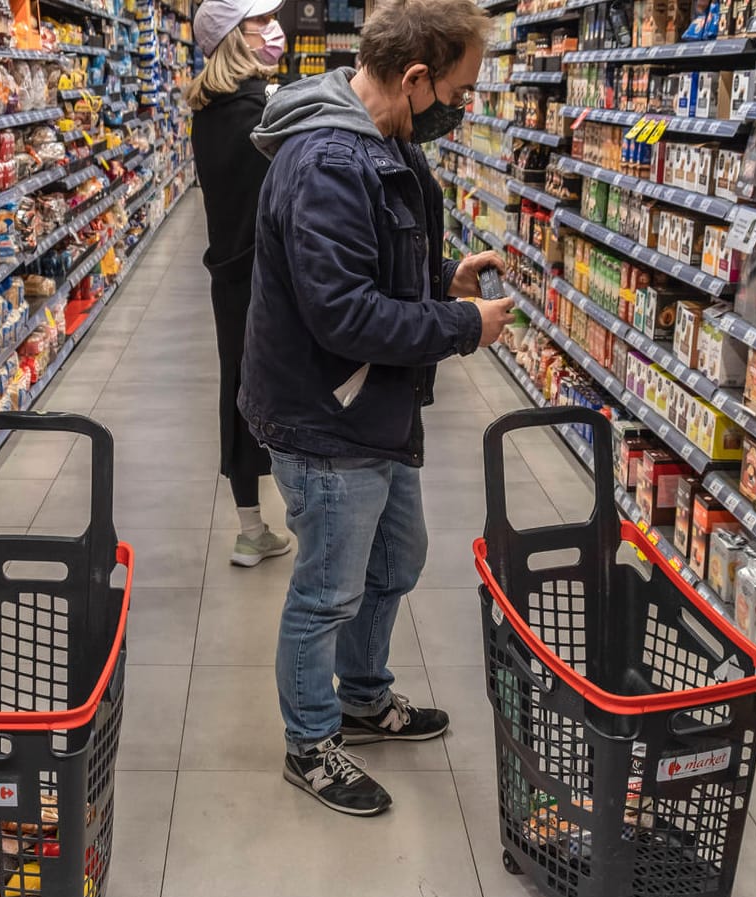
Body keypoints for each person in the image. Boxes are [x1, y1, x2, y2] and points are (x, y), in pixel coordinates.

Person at [241, 0, 513, 816]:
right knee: (327, 588)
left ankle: (362, 695)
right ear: (416, 76)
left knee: (396, 560)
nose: (460, 109)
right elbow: (343, 316)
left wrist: (441, 287)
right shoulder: (330, 160)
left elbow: (373, 279)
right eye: (457, 92)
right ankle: (311, 743)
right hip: (327, 417)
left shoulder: (380, 142)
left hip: (373, 407)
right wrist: (462, 326)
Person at [187, 0, 294, 568]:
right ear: (235, 37)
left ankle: (250, 526)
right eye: (261, 23)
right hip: (274, 274)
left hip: (228, 270)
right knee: (294, 385)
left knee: (239, 385)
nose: (275, 29)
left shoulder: (207, 110)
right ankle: (310, 511)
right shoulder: (264, 111)